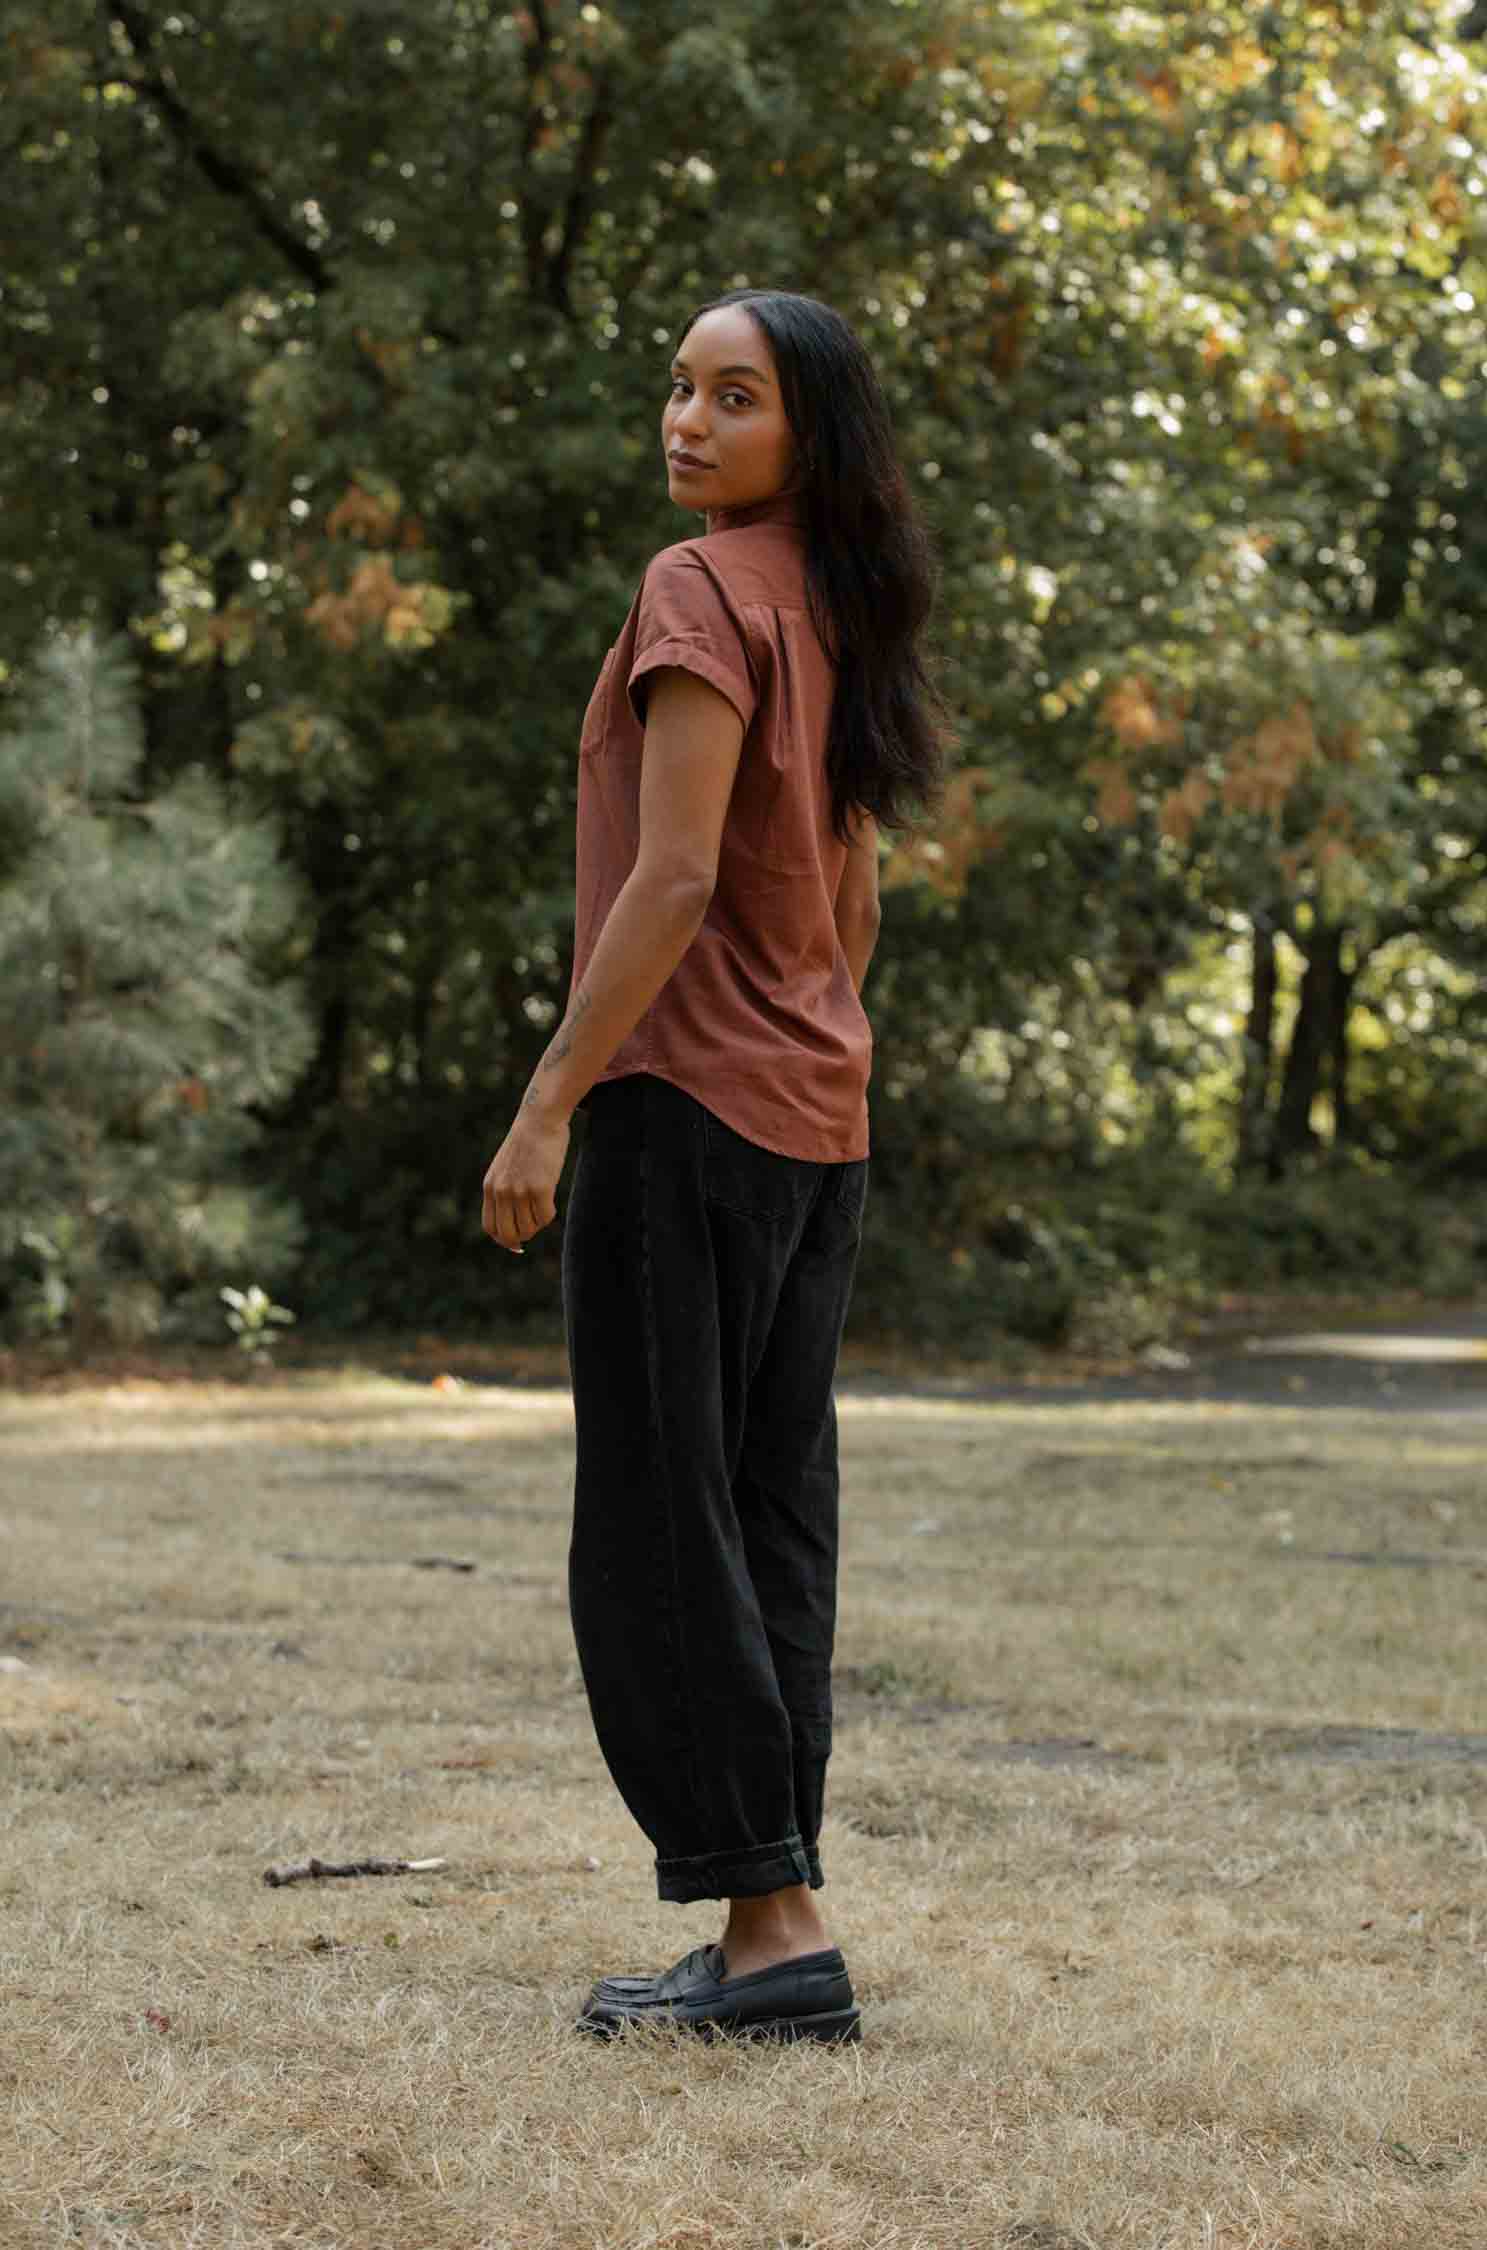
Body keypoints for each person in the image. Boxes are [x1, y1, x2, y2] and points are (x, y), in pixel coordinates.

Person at [481, 287, 943, 2042]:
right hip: (819, 1122)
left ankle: (767, 1922)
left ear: (802, 432)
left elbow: (671, 879)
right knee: (769, 1512)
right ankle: (781, 1911)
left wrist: (547, 1102)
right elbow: (856, 901)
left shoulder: (697, 593)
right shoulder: (834, 601)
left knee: (665, 1523)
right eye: (676, 387)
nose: (685, 418)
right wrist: (806, 1026)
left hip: (685, 1113)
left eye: (730, 396)